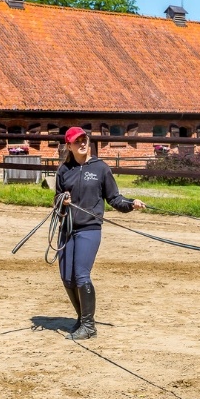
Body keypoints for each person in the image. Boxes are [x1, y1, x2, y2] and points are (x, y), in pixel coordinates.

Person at [55, 126, 145, 340]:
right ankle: (82, 318)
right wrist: (62, 201)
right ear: (69, 146)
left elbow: (114, 198)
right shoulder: (63, 170)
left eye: (84, 139)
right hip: (67, 228)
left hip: (89, 229)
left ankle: (89, 326)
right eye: (77, 141)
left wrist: (131, 204)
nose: (83, 143)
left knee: (81, 275)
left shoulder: (100, 168)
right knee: (67, 278)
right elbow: (56, 200)